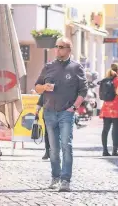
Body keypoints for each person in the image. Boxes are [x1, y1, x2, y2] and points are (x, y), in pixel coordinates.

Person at [34, 37, 87, 192]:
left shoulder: (76, 67)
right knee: (54, 149)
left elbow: (83, 90)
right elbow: (37, 87)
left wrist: (74, 107)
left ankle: (65, 180)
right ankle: (55, 177)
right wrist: (44, 87)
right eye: (56, 46)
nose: (57, 49)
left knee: (66, 145)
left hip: (66, 113)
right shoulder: (48, 67)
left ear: (69, 49)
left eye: (61, 47)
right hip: (49, 112)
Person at [99, 63, 118, 156]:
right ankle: (115, 150)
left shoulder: (105, 79)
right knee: (116, 130)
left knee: (105, 129)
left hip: (106, 106)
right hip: (116, 106)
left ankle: (105, 151)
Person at [36, 94, 51, 160]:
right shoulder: (46, 89)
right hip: (47, 115)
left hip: (58, 115)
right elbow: (40, 102)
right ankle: (47, 152)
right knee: (47, 134)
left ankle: (54, 152)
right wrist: (36, 112)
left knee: (56, 134)